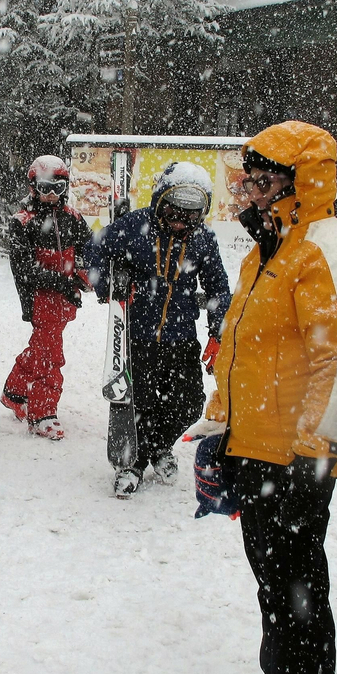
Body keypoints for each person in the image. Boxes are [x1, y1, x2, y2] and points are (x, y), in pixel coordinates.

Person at [196, 121, 337, 674]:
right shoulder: (271, 247)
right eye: (248, 177)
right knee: (271, 574)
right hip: (255, 442)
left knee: (298, 581)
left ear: (303, 182)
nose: (250, 190)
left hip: (298, 453)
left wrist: (311, 448)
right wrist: (222, 421)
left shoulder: (326, 248)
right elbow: (243, 348)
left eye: (264, 178)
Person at [86, 161, 229, 497]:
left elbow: (219, 287)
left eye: (190, 214)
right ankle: (131, 463)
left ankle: (156, 448)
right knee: (141, 403)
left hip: (181, 336)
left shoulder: (203, 240)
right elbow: (93, 253)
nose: (180, 219)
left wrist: (218, 329)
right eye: (173, 210)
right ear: (160, 201)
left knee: (188, 403)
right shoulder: (135, 225)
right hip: (137, 336)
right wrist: (110, 285)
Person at [2, 155, 91, 440]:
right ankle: (42, 412)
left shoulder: (72, 217)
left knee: (41, 347)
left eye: (58, 187)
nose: (52, 195)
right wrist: (62, 281)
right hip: (40, 296)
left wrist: (84, 274)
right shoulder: (23, 221)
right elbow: (25, 269)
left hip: (63, 297)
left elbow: (90, 248)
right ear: (33, 187)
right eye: (45, 188)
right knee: (50, 356)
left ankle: (14, 393)